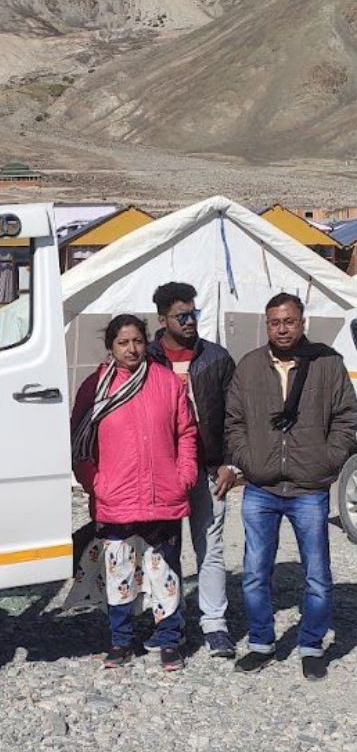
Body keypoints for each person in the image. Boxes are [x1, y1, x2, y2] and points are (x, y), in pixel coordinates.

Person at [226, 293, 357, 681]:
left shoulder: (328, 364)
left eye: (289, 321)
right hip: (261, 488)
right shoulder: (249, 367)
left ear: (303, 322)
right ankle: (262, 644)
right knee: (254, 571)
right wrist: (248, 461)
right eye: (274, 322)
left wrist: (327, 460)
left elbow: (348, 419)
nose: (282, 329)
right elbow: (233, 422)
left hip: (309, 488)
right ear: (266, 324)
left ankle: (312, 645)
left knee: (317, 572)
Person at [71, 314, 198, 671]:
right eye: (123, 342)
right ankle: (120, 641)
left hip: (163, 495)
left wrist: (184, 474)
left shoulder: (167, 382)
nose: (132, 348)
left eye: (138, 341)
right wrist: (93, 482)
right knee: (119, 573)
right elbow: (79, 440)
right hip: (116, 497)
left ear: (147, 342)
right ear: (111, 347)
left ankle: (170, 641)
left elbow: (186, 432)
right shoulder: (96, 386)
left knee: (165, 574)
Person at [147, 282, 237, 658]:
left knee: (210, 547)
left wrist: (231, 463)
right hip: (162, 470)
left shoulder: (215, 358)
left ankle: (215, 625)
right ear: (162, 318)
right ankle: (170, 625)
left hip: (208, 467)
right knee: (165, 550)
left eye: (193, 314)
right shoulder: (147, 358)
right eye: (181, 316)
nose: (189, 322)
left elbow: (236, 416)